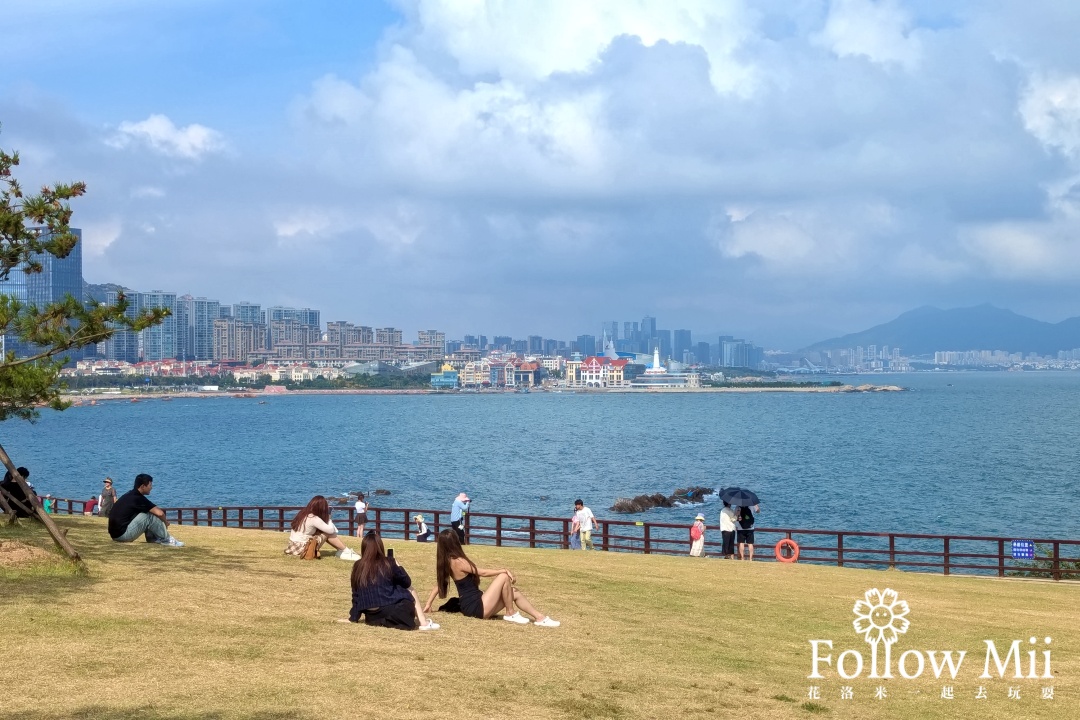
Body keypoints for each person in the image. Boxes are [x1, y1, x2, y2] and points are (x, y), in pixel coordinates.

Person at [423, 529, 560, 627]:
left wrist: (428, 604)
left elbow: (439, 584)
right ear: (454, 543)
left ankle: (540, 618)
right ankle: (510, 612)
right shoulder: (458, 561)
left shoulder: (447, 562)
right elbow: (481, 572)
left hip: (472, 605)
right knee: (503, 577)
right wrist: (503, 569)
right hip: (476, 606)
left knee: (514, 592)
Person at [349, 532, 439, 630]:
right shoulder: (388, 562)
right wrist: (398, 565)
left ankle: (385, 621)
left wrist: (353, 618)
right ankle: (423, 623)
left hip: (372, 616)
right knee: (410, 589)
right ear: (380, 547)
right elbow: (407, 582)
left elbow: (356, 595)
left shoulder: (358, 566)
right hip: (392, 610)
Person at [108, 474, 184, 547]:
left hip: (115, 535)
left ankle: (152, 538)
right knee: (149, 516)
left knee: (147, 511)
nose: (151, 487)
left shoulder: (129, 495)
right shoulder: (138, 498)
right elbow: (160, 513)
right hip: (122, 536)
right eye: (150, 485)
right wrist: (166, 522)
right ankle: (166, 539)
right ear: (143, 486)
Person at [284, 495, 359, 560]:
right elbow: (331, 530)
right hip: (303, 548)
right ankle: (345, 551)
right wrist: (329, 517)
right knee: (327, 533)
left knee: (324, 532)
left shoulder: (302, 513)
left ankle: (342, 550)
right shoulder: (313, 518)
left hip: (292, 547)